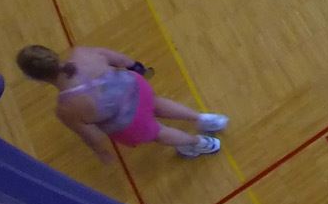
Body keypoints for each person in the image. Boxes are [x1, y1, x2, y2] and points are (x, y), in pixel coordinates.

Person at [15, 45, 227, 163]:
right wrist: (137, 68)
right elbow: (122, 60)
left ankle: (198, 142)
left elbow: (91, 136)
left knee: (159, 132)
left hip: (128, 122)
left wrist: (102, 153)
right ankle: (204, 119)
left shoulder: (66, 108)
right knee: (158, 103)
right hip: (137, 88)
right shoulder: (83, 53)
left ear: (37, 79)